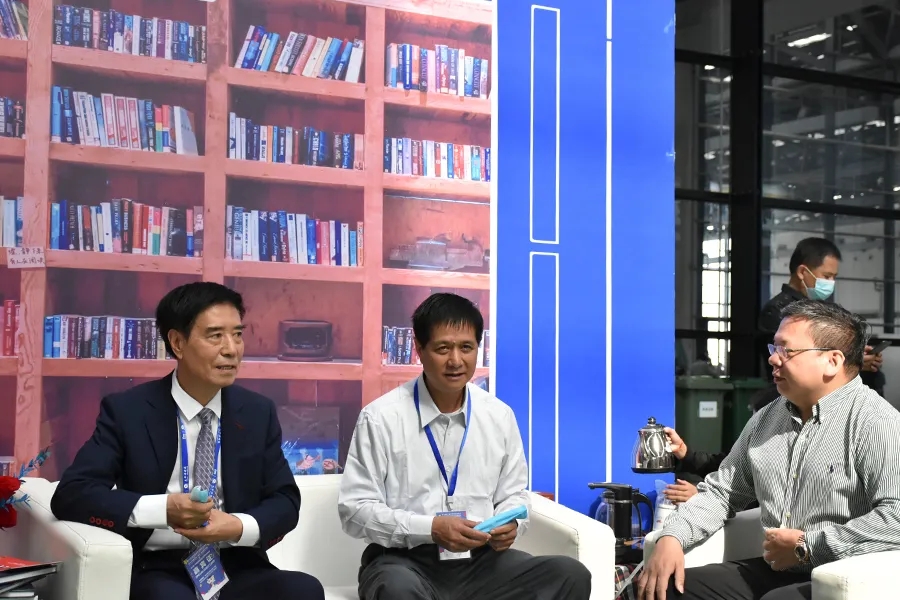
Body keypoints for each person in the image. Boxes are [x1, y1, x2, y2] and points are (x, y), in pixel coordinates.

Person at [50, 282, 325, 600]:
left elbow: (285, 500)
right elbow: (73, 494)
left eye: (237, 335)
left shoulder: (256, 412)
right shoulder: (129, 411)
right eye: (215, 336)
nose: (231, 349)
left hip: (235, 563)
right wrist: (163, 510)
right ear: (178, 343)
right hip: (158, 567)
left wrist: (237, 526)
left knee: (303, 590)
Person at [636, 300, 900, 600]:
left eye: (787, 351)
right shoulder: (767, 419)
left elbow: (896, 517)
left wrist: (809, 546)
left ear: (832, 361)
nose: (773, 359)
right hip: (779, 569)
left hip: (850, 578)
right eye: (774, 348)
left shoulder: (875, 423)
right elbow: (722, 492)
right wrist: (672, 536)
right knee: (663, 589)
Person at [338, 292, 592, 600]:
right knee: (397, 589)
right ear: (419, 349)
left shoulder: (498, 416)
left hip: (481, 563)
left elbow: (514, 494)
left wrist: (511, 521)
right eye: (443, 348)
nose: (456, 361)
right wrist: (431, 528)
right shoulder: (380, 418)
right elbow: (355, 510)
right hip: (404, 562)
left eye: (466, 348)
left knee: (570, 574)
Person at [759, 237, 885, 398]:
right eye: (826, 276)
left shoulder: (821, 309)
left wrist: (855, 351)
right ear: (802, 272)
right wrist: (853, 363)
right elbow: (797, 362)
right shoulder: (778, 311)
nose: (831, 283)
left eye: (834, 277)